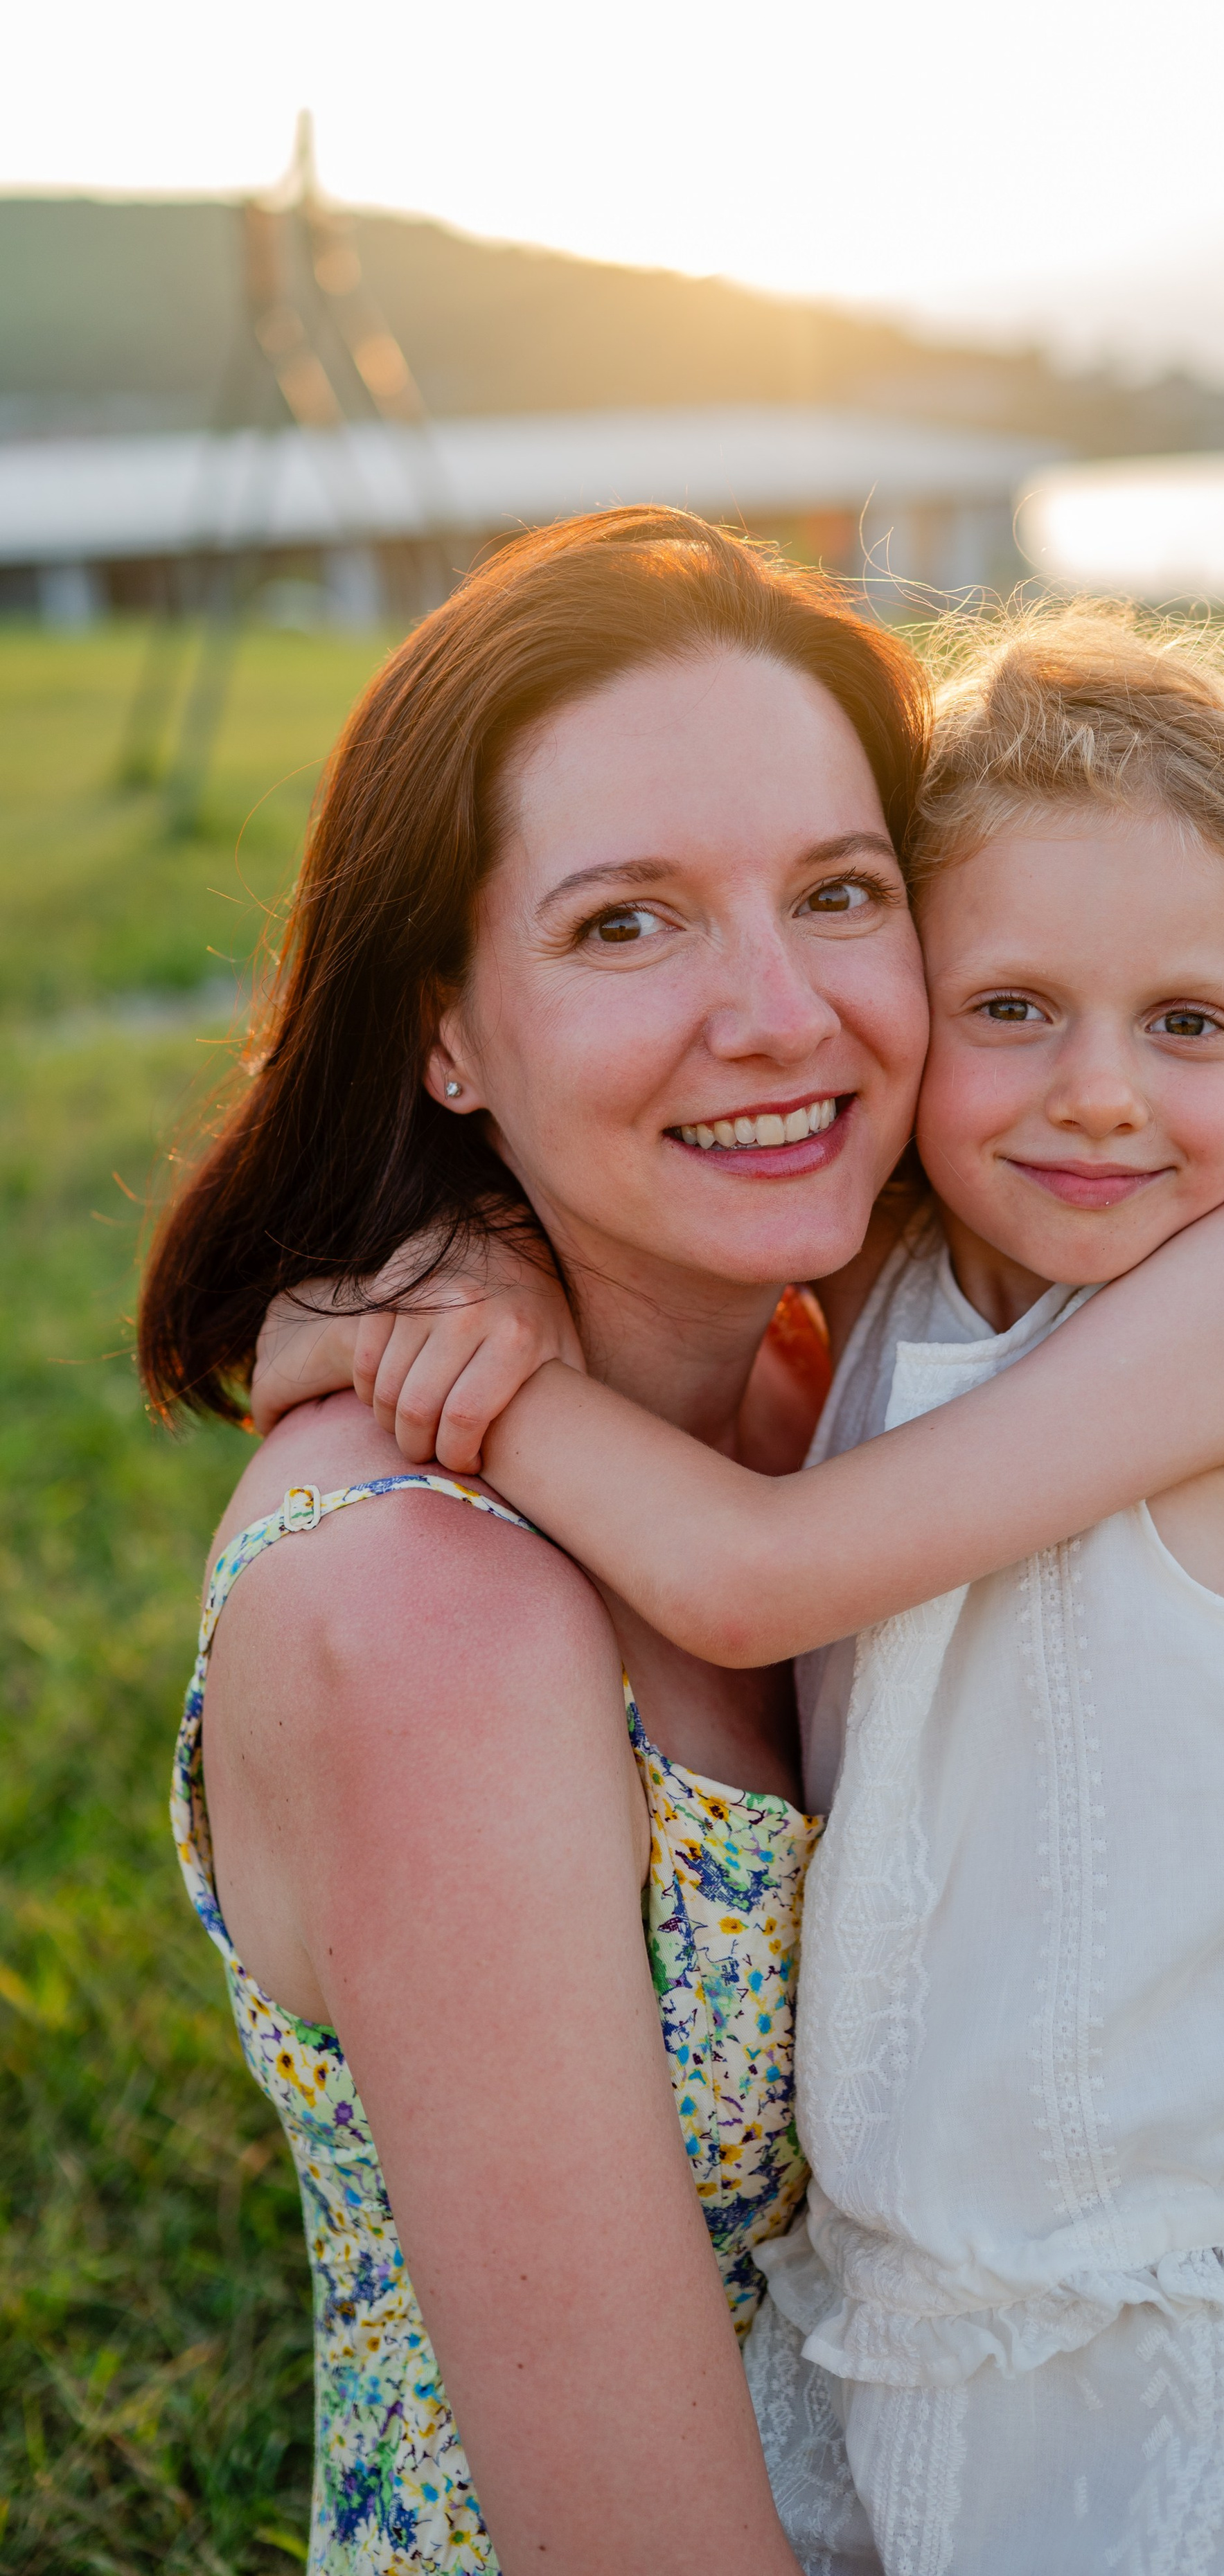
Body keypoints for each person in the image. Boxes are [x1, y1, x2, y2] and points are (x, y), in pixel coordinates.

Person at [264, 607, 1224, 2572]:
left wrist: (460, 1371)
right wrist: (428, 1306)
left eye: (1187, 1022)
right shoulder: (858, 1330)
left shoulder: (1209, 1298)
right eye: (1013, 1006)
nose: (1100, 1096)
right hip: (936, 2391)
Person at [139, 508, 938, 2573]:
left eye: (840, 893)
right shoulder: (423, 1610)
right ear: (445, 1030)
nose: (780, 1014)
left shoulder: (842, 1387)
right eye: (626, 926)